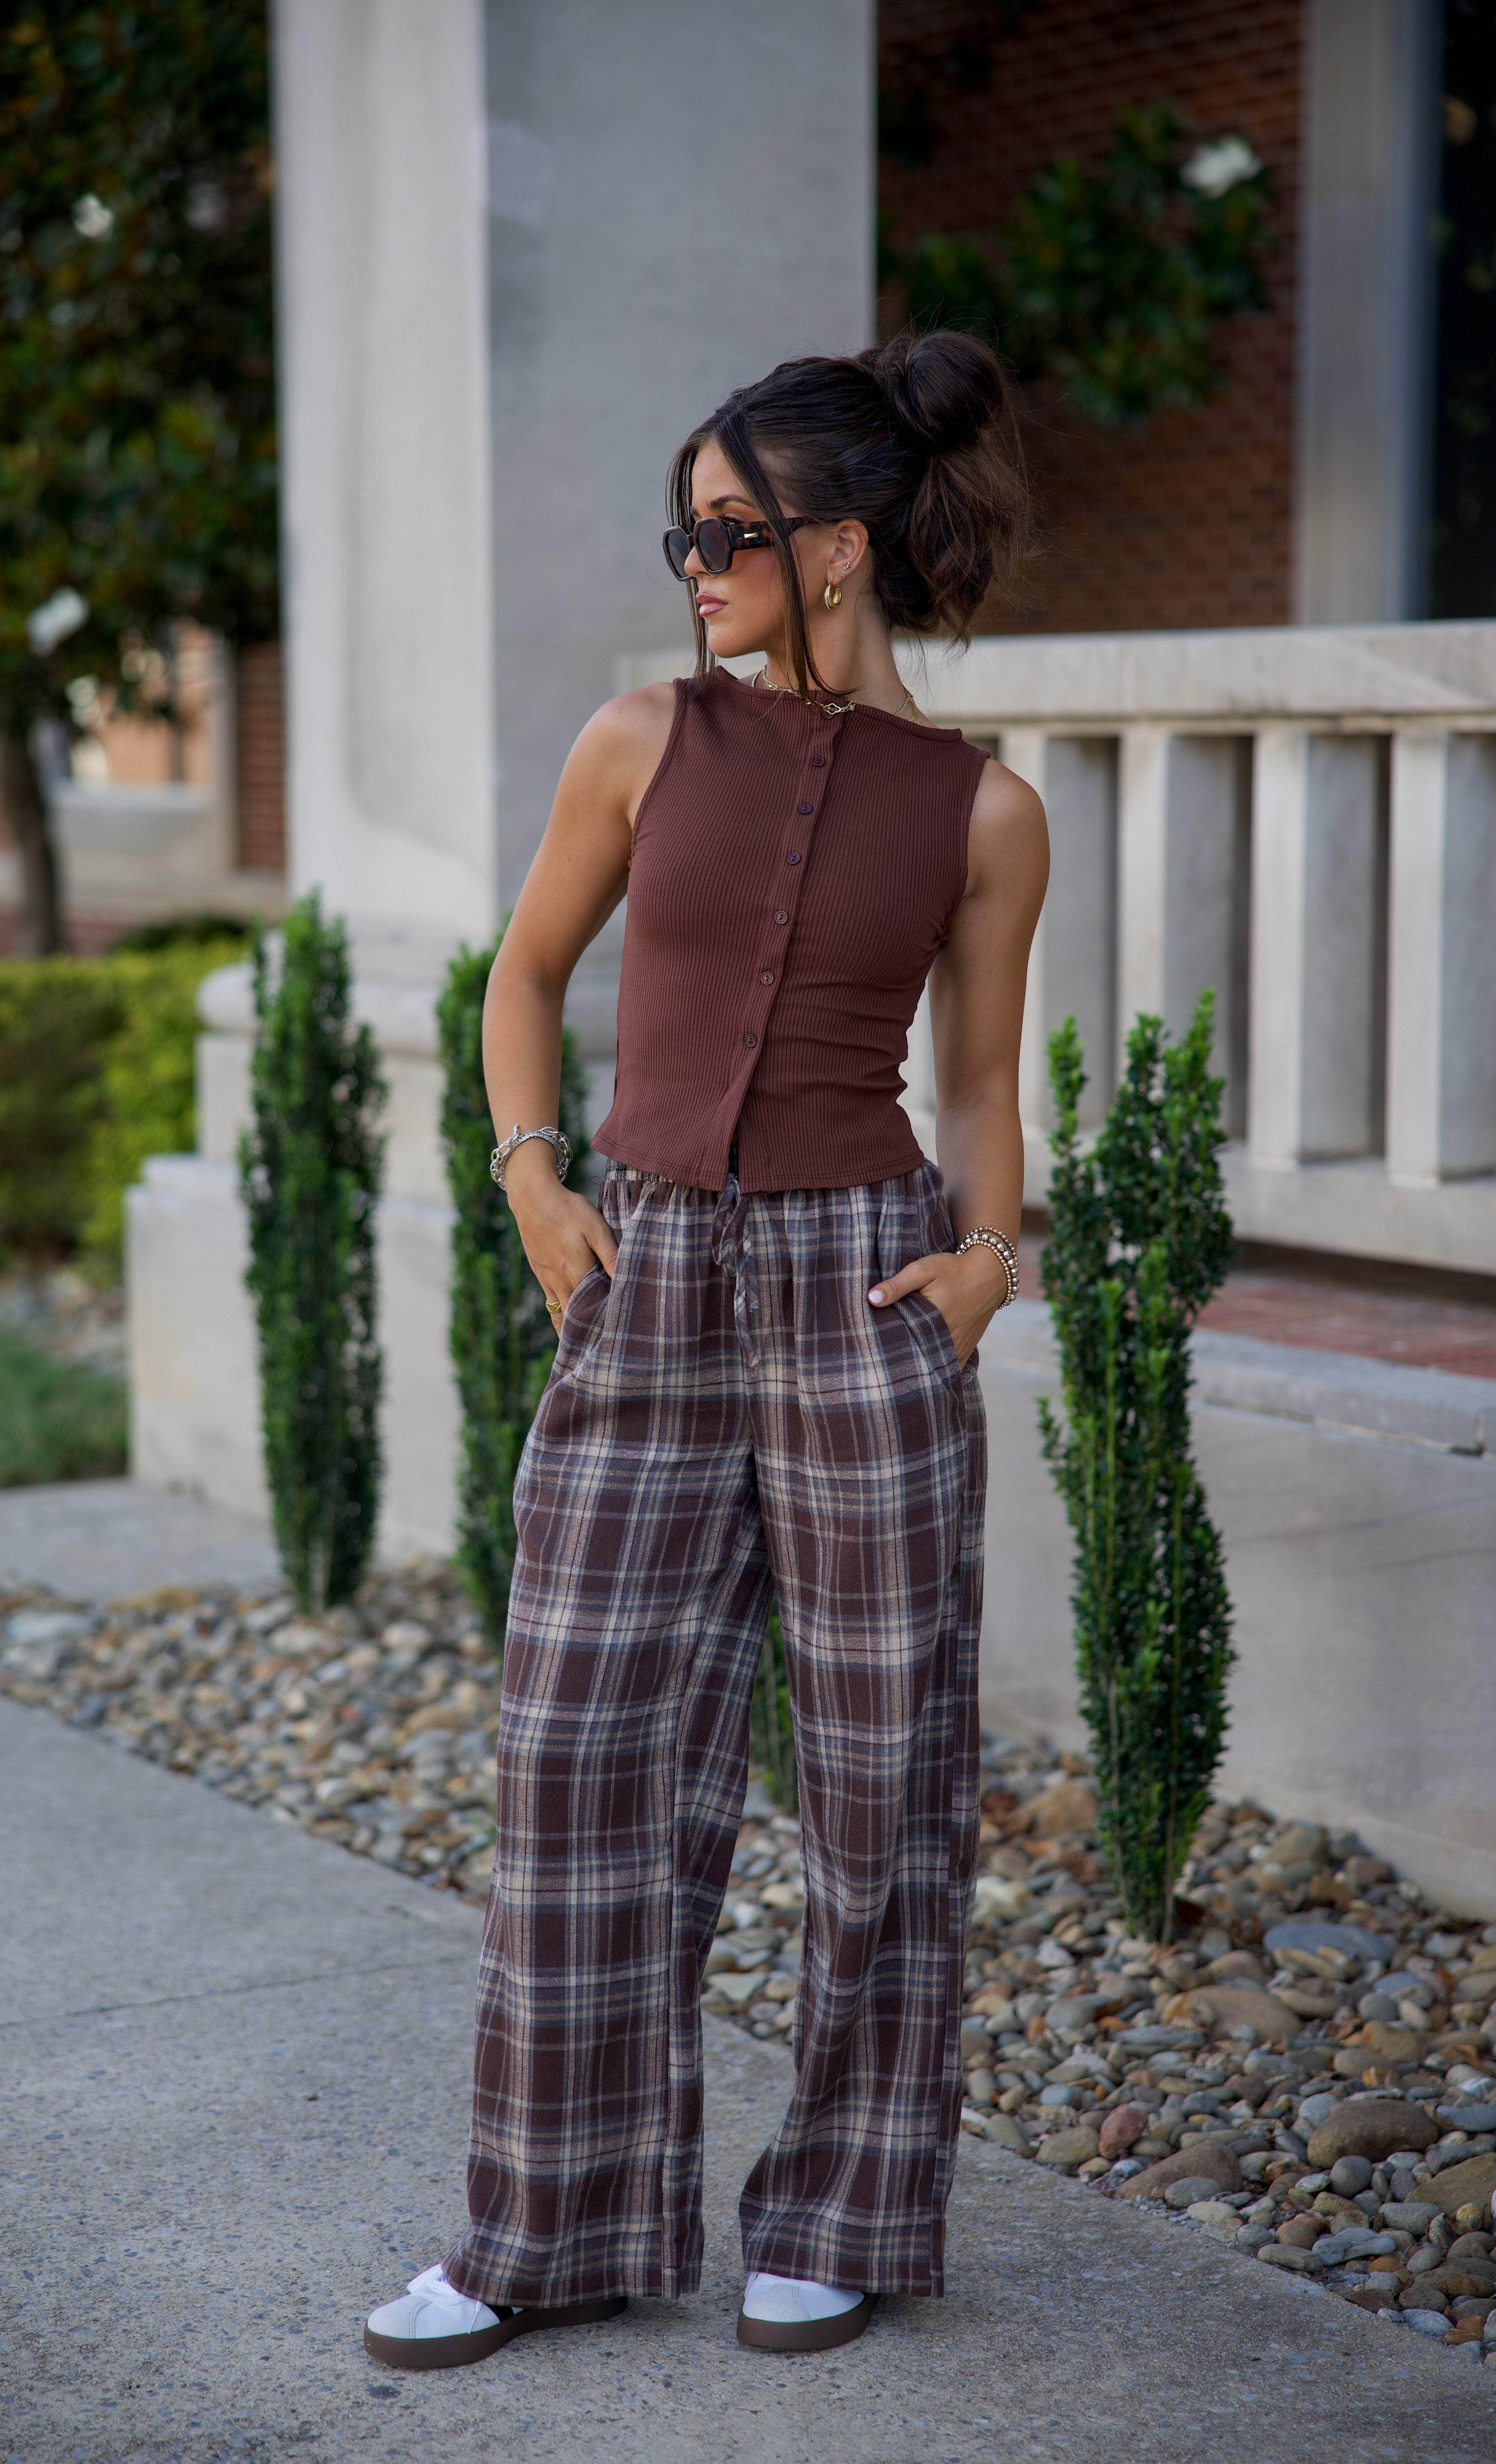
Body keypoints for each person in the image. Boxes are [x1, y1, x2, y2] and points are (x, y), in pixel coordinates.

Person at [364, 329, 1049, 2370]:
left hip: (864, 1295)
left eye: (726, 530)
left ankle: (841, 2211)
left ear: (836, 546)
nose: (693, 566)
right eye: (683, 531)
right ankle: (542, 2233)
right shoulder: (639, 740)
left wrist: (985, 1262)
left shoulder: (985, 810)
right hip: (643, 1276)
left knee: (882, 1781)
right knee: (577, 1761)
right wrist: (531, 1178)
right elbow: (524, 976)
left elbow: (982, 1081)